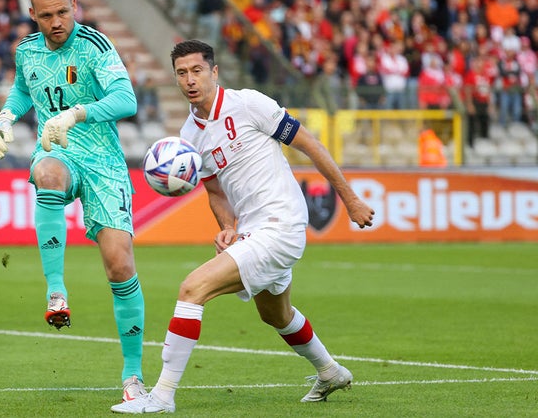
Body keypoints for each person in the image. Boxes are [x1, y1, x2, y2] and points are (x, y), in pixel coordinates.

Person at [112, 40, 375, 414]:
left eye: (197, 70)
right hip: (254, 229)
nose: (190, 80)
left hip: (281, 223)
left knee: (192, 289)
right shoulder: (189, 136)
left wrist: (350, 200)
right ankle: (330, 371)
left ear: (214, 72)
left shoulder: (249, 103)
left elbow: (311, 145)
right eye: (182, 73)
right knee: (276, 315)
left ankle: (162, 395)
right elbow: (215, 191)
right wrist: (228, 226)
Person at [0, 0, 146, 404]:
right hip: (59, 152)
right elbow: (22, 90)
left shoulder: (95, 46)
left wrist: (76, 113)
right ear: (32, 14)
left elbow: (126, 100)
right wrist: (4, 118)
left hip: (104, 163)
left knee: (119, 266)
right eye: (46, 15)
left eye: (63, 12)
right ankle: (56, 290)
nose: (56, 22)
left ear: (75, 7)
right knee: (48, 174)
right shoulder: (26, 50)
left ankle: (133, 376)